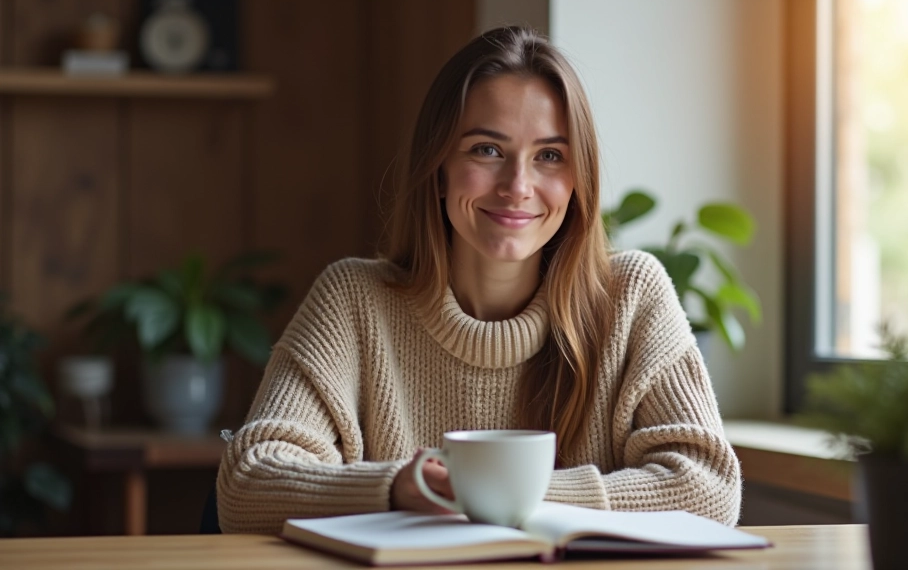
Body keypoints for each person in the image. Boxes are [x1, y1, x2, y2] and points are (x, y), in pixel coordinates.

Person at [217, 26, 741, 534]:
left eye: (550, 156)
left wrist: (493, 492)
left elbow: (709, 489)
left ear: (579, 178)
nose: (518, 186)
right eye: (486, 150)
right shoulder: (353, 299)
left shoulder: (632, 295)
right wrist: (399, 486)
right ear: (439, 166)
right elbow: (248, 483)